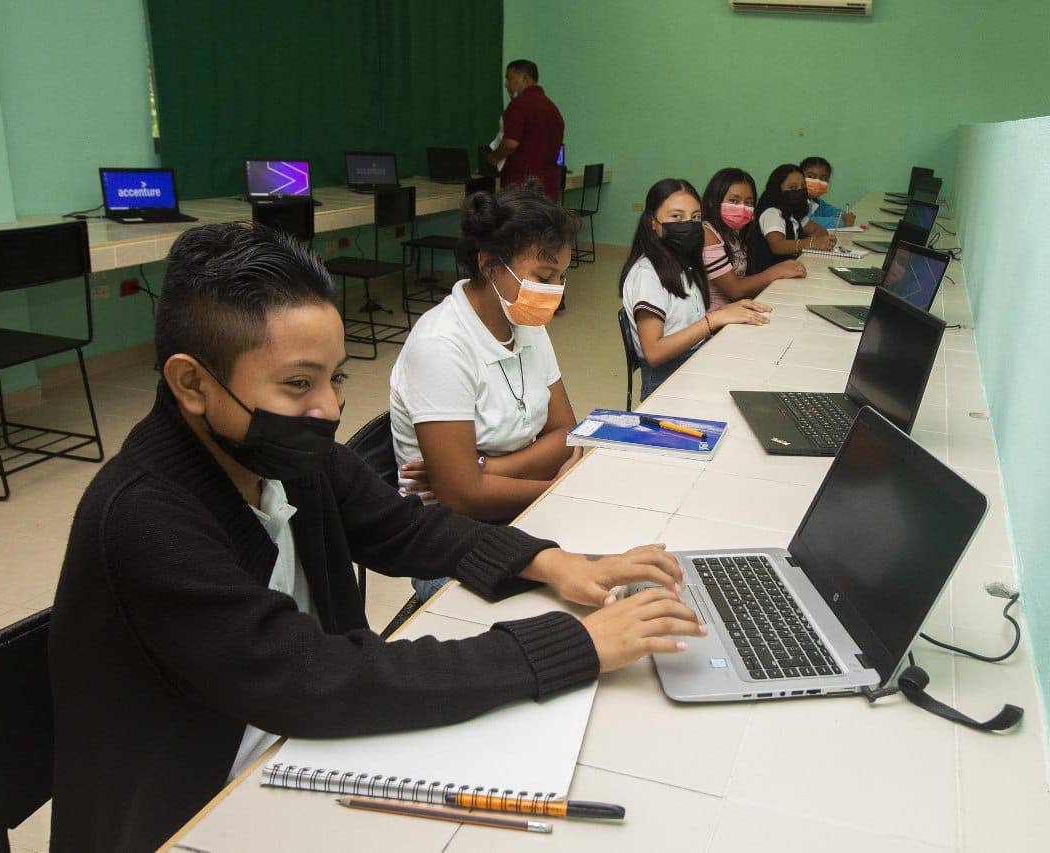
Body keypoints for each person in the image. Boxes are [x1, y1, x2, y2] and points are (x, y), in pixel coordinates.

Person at [48, 222, 704, 852]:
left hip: (296, 740)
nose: (329, 409)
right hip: (194, 802)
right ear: (192, 383)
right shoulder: (143, 517)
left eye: (334, 378)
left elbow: (406, 527)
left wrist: (549, 560)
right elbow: (314, 676)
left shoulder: (284, 456)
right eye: (298, 383)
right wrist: (573, 645)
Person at [390, 183, 581, 602]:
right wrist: (553, 486)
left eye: (561, 277)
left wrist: (487, 469)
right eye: (544, 277)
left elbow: (567, 433)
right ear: (491, 266)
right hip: (450, 544)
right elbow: (463, 499)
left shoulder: (526, 322)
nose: (555, 290)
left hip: (516, 513)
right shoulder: (440, 345)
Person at [620, 178, 772, 400]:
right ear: (653, 223)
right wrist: (713, 320)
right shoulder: (647, 274)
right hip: (666, 380)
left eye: (696, 217)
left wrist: (729, 312)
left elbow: (684, 323)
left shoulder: (683, 262)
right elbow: (654, 352)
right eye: (676, 217)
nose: (689, 225)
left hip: (694, 360)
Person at [701, 167, 807, 310]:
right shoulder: (707, 233)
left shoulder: (735, 234)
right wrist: (776, 271)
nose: (742, 208)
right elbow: (735, 290)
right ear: (712, 201)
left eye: (749, 203)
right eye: (734, 200)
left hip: (737, 311)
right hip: (716, 323)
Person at [489, 59, 564, 200]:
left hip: (522, 191)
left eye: (509, 78)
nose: (506, 85)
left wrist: (494, 156)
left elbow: (511, 143)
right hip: (549, 189)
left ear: (523, 78)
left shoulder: (518, 105)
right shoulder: (553, 109)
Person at [747, 163, 836, 275]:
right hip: (767, 277)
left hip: (788, 271)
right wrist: (810, 243)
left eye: (803, 187)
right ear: (777, 189)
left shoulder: (793, 211)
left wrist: (825, 241)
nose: (799, 191)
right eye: (793, 188)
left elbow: (819, 231)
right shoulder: (772, 212)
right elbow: (777, 246)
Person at [801, 156, 856, 229]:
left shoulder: (817, 202)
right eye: (811, 176)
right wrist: (843, 222)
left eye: (823, 179)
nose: (818, 181)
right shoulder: (795, 201)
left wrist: (844, 215)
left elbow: (830, 211)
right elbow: (809, 222)